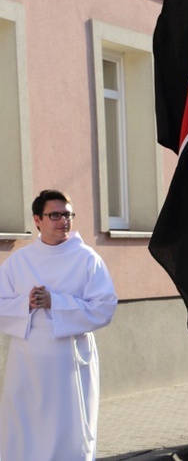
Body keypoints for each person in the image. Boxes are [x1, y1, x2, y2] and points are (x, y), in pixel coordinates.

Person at [0, 189, 118, 461]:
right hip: (27, 360)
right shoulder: (19, 260)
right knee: (25, 426)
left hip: (70, 358)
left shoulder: (87, 258)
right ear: (37, 219)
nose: (62, 221)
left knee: (69, 426)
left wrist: (56, 302)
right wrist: (25, 304)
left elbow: (105, 307)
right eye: (54, 215)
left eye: (67, 215)